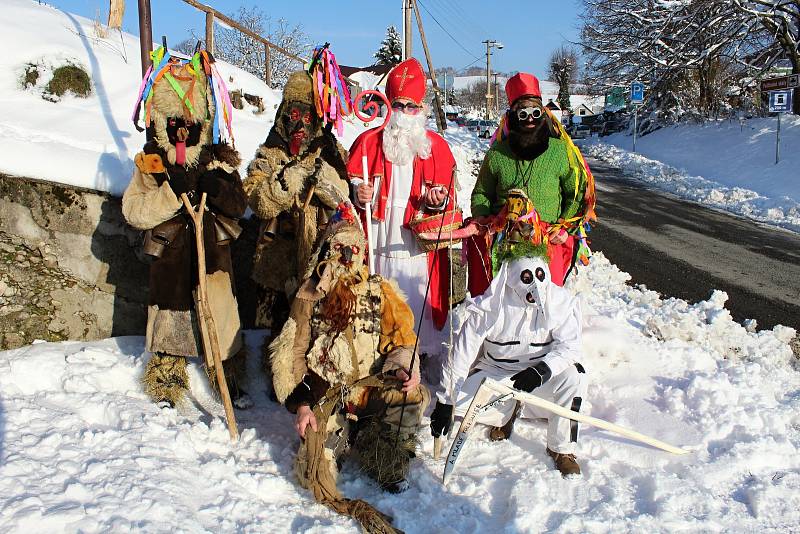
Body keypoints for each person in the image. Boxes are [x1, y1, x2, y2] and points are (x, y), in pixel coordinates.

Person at [268, 203, 427, 530]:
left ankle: (382, 454)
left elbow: (403, 337)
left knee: (412, 396)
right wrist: (301, 405)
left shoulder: (380, 290)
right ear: (329, 249)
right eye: (340, 248)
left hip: (371, 389)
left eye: (354, 249)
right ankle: (342, 436)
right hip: (328, 395)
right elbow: (290, 352)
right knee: (314, 473)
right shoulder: (311, 294)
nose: (347, 255)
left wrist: (402, 367)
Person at [123, 46, 249, 408]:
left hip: (214, 259)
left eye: (189, 124)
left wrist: (219, 189)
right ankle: (166, 378)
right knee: (171, 319)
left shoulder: (218, 159)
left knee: (222, 322)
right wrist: (168, 195)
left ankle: (228, 377)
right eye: (174, 123)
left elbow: (239, 206)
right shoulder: (152, 161)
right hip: (172, 259)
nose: (182, 132)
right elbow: (133, 211)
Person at [430, 243, 587, 477]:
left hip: (538, 378)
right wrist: (446, 400)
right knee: (457, 407)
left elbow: (571, 347)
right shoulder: (489, 308)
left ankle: (561, 449)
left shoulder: (560, 302)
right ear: (511, 279)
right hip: (496, 376)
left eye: (539, 275)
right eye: (526, 277)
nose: (535, 284)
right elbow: (461, 355)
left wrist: (542, 370)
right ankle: (509, 409)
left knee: (575, 376)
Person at [347, 57, 457, 357]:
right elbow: (351, 180)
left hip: (417, 246)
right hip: (380, 240)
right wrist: (360, 191)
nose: (405, 114)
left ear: (422, 110)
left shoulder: (436, 147)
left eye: (412, 107)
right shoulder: (369, 142)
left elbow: (449, 194)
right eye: (399, 105)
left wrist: (439, 200)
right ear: (389, 106)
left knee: (417, 297)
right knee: (382, 294)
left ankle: (423, 354)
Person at [243, 70, 350, 363]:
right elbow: (257, 199)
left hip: (317, 256)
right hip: (277, 261)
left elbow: (345, 197)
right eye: (293, 113)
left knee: (314, 328)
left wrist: (322, 176)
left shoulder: (330, 151)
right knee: (274, 335)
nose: (299, 123)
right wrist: (285, 182)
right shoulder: (269, 154)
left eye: (307, 115)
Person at [467, 72, 595, 297]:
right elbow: (481, 193)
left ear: (543, 113)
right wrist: (483, 219)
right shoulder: (497, 154)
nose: (529, 118)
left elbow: (576, 196)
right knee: (506, 302)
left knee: (544, 302)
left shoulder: (560, 151)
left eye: (535, 112)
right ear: (512, 115)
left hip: (549, 242)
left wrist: (565, 229)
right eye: (522, 112)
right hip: (504, 242)